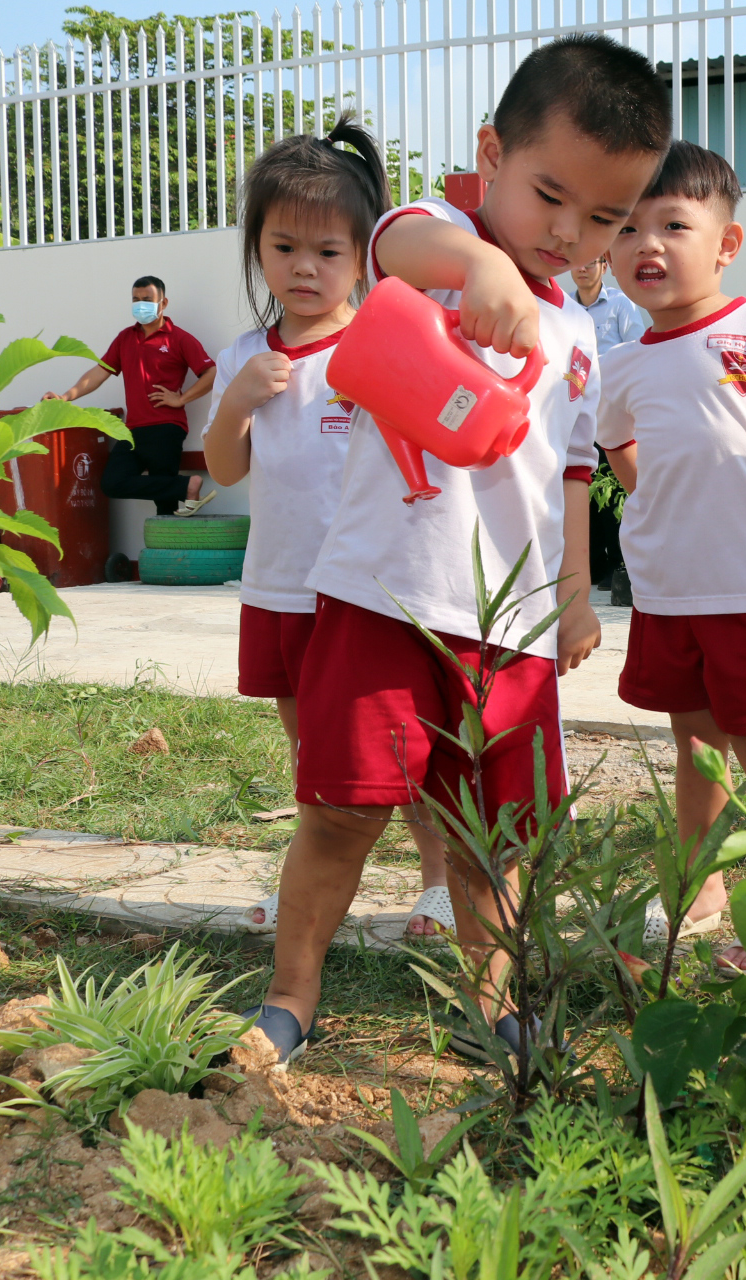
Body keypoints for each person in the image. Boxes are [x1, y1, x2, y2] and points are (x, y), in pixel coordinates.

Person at [241, 34, 671, 1065]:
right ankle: (289, 1000)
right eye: (549, 196)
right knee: (341, 810)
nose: (569, 235)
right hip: (382, 599)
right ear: (492, 155)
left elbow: (571, 471)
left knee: (494, 843)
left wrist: (574, 595)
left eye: (604, 218)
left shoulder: (582, 336)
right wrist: (480, 260)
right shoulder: (440, 250)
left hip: (508, 628)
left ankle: (494, 1004)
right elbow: (394, 242)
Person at [200, 117, 455, 943]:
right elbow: (226, 469)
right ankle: (309, 884)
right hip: (280, 585)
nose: (303, 268)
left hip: (371, 592)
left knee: (400, 756)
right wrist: (237, 400)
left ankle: (440, 882)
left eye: (328, 252)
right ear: (258, 250)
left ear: (365, 255)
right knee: (317, 757)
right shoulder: (248, 353)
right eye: (282, 248)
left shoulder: (387, 341)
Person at [597, 141, 746, 961]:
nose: (646, 245)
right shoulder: (620, 365)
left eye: (672, 224)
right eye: (626, 229)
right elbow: (618, 450)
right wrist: (656, 499)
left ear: (726, 243)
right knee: (695, 749)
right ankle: (700, 893)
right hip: (667, 593)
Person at [46, 276, 218, 517]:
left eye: (147, 299)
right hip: (132, 429)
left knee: (165, 505)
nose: (140, 305)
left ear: (163, 303)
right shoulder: (126, 338)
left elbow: (211, 372)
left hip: (166, 427)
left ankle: (168, 550)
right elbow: (98, 373)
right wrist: (65, 397)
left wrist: (181, 399)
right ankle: (185, 486)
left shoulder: (179, 338)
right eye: (135, 300)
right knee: (112, 483)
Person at [571, 254, 644, 589]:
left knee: (615, 488)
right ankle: (595, 565)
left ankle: (619, 563)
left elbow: (637, 351)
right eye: (576, 261)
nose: (582, 267)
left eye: (590, 261)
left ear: (604, 265)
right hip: (576, 414)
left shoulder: (620, 305)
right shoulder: (563, 310)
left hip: (613, 412)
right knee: (584, 489)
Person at [571, 254, 647, 353]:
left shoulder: (620, 302)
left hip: (614, 368)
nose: (581, 269)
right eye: (577, 263)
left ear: (604, 268)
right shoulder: (564, 304)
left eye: (590, 263)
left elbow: (637, 349)